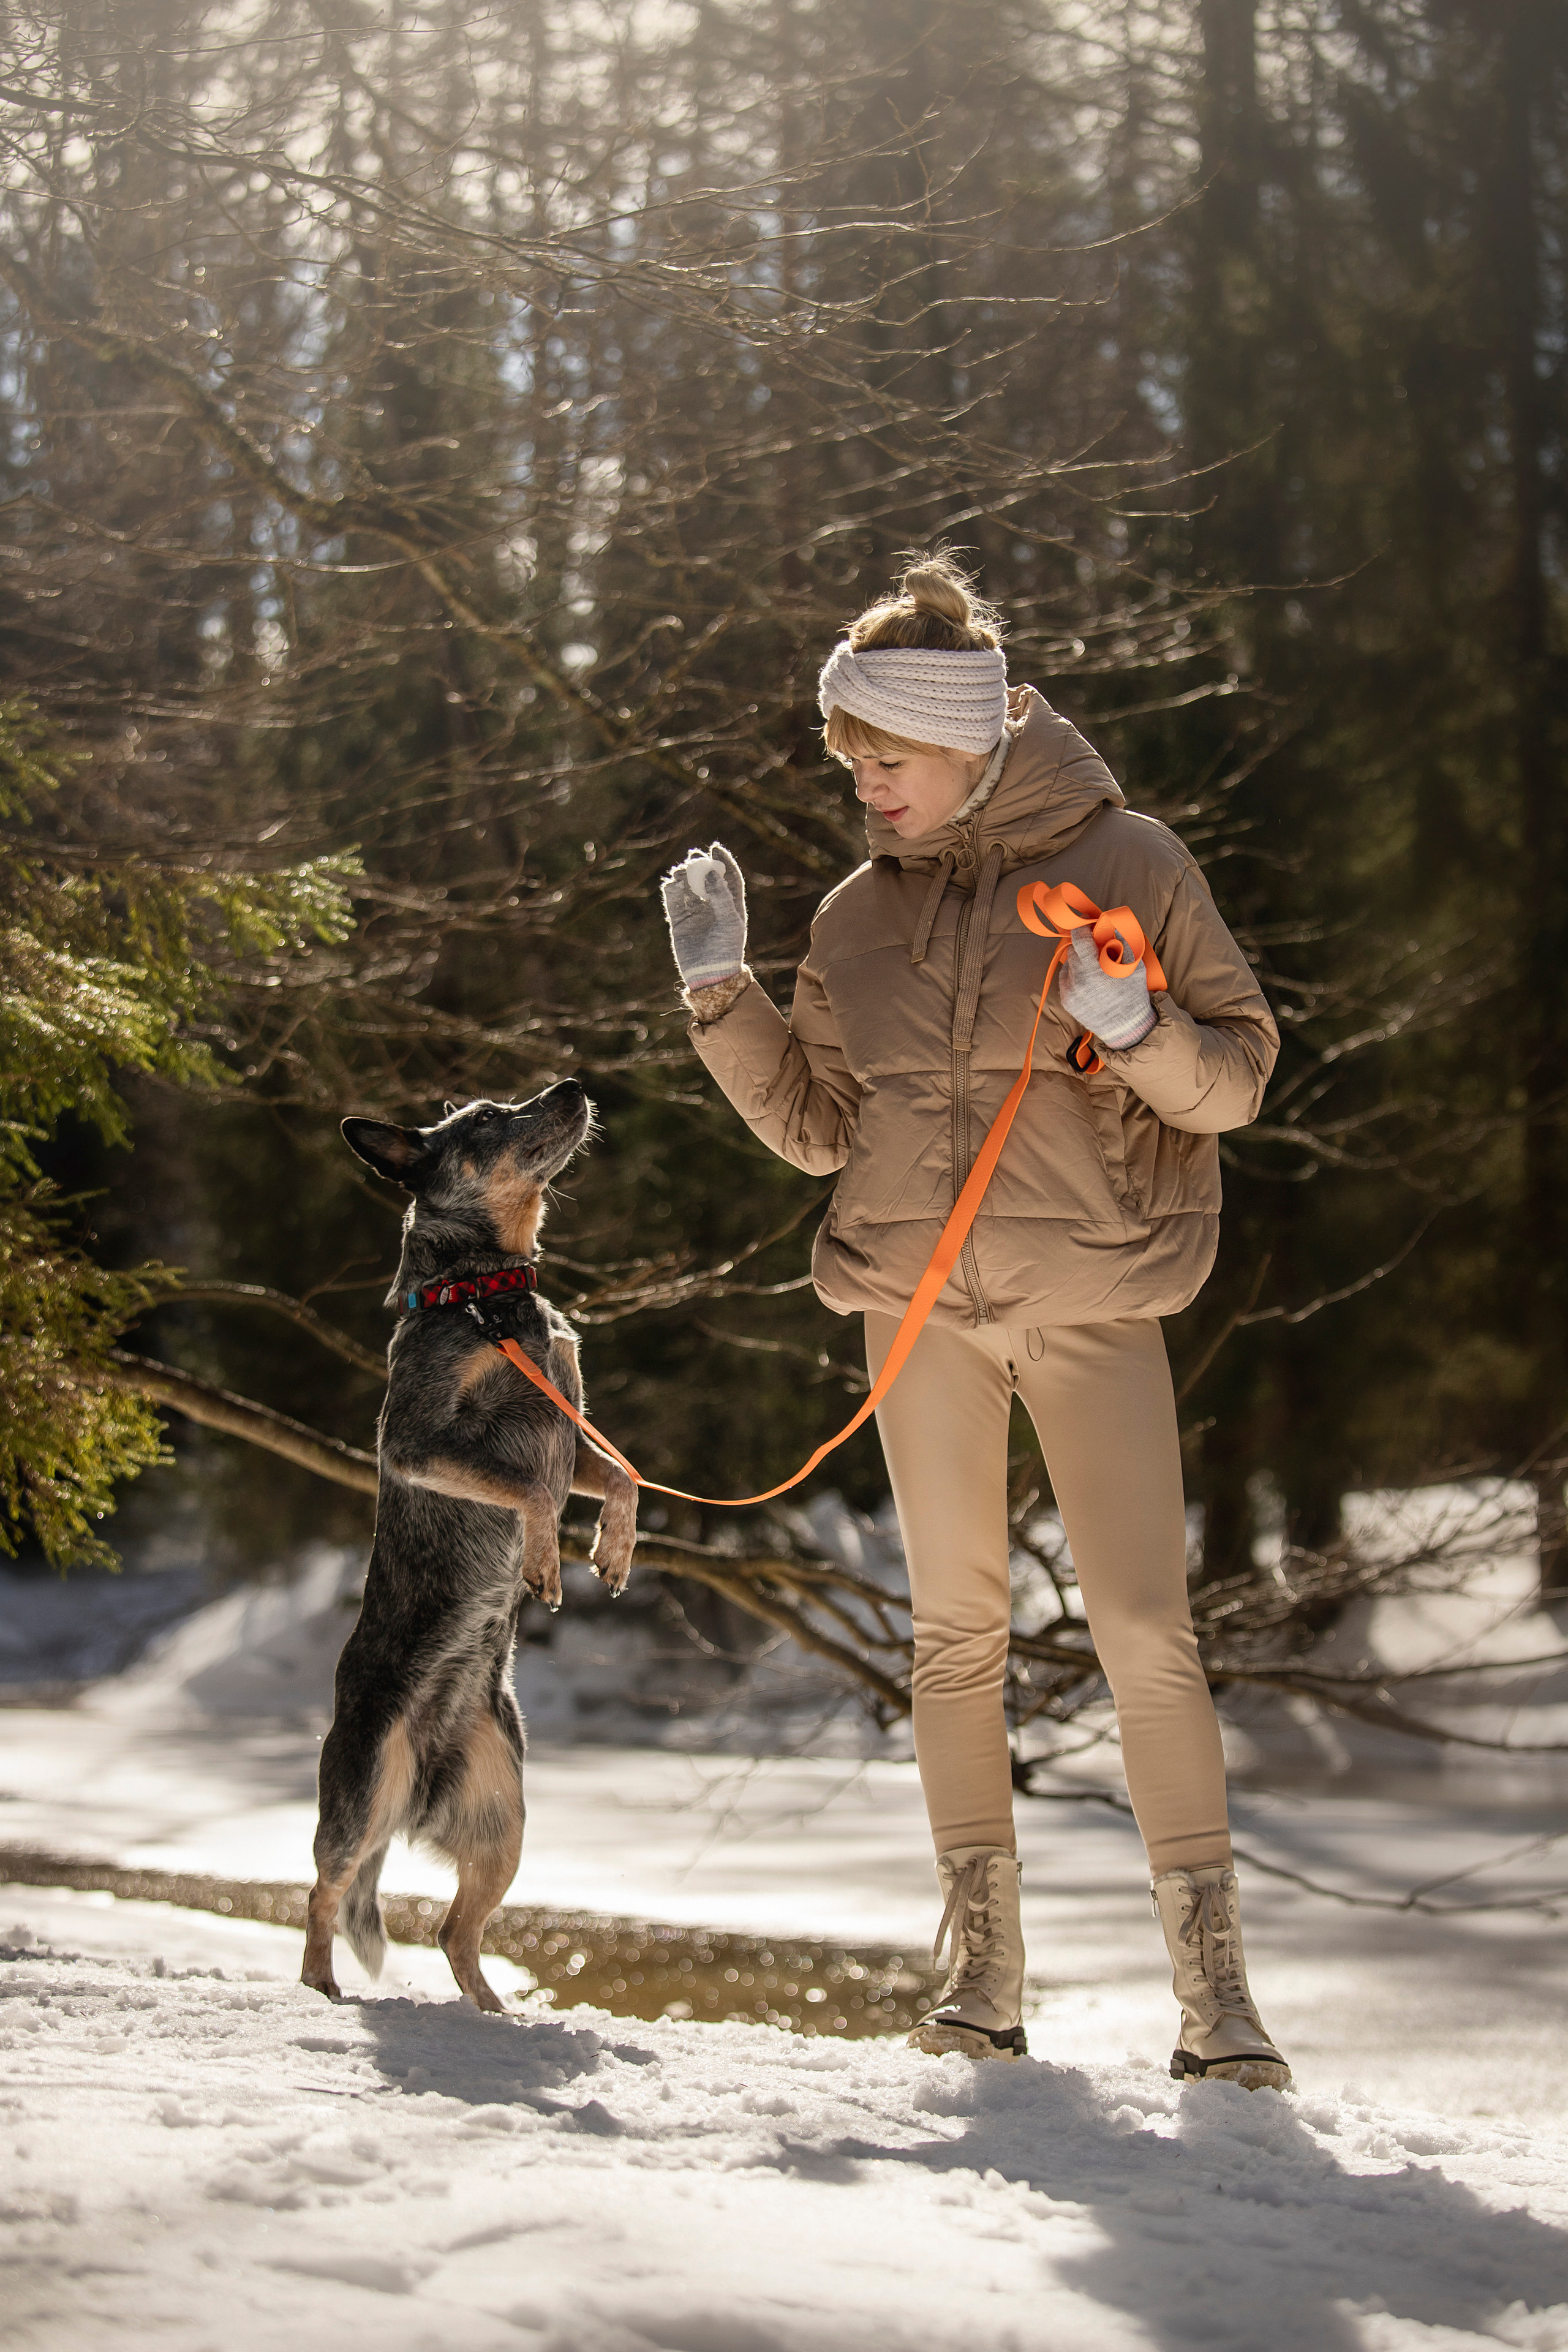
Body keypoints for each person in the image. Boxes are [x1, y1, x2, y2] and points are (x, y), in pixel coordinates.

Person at [658, 551, 1289, 2090]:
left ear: (969, 739)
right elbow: (818, 1131)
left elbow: (1240, 1075)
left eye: (884, 757)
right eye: (849, 760)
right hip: (918, 1311)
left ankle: (1214, 2000)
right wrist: (721, 997)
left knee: (1144, 1628)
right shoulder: (851, 920)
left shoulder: (1128, 861)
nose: (863, 784)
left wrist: (1134, 1027)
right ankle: (980, 1978)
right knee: (952, 1635)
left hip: (1088, 1303)